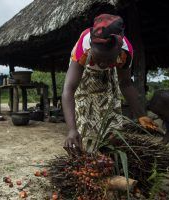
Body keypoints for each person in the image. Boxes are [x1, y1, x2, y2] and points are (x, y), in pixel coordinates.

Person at [62, 14, 157, 153]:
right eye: (99, 59)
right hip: (85, 74)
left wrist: (140, 115)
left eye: (108, 60)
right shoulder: (83, 48)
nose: (102, 64)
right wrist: (71, 130)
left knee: (111, 129)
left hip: (109, 78)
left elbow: (125, 84)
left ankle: (109, 157)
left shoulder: (125, 52)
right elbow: (68, 89)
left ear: (118, 51)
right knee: (87, 129)